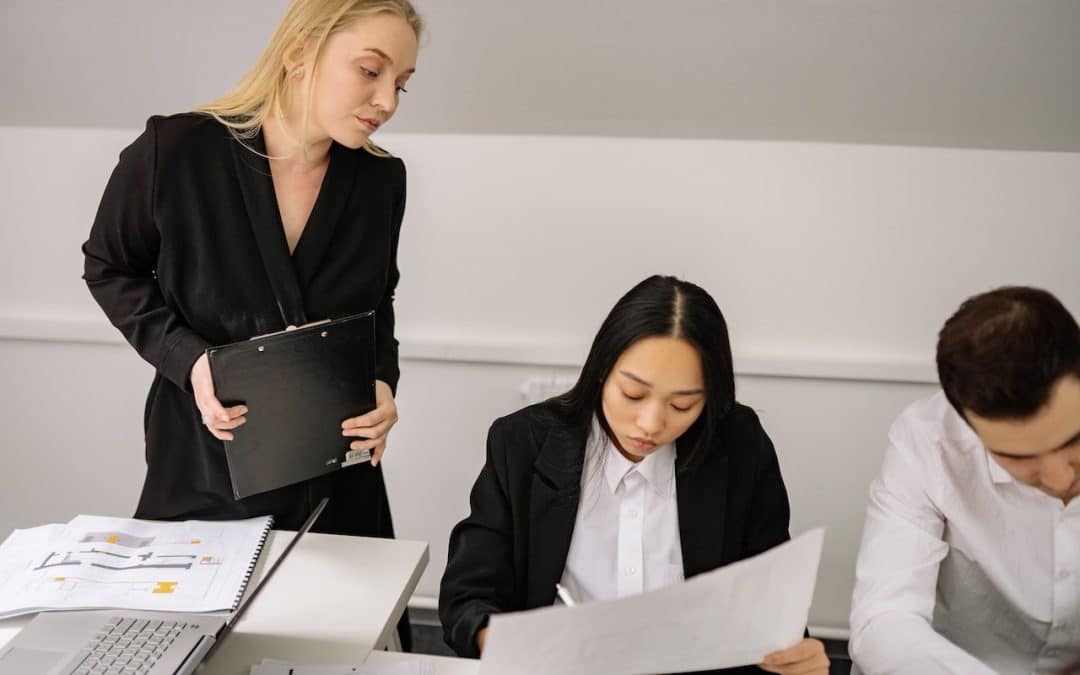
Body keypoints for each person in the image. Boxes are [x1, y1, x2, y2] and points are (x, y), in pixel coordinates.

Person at [82, 1, 422, 643]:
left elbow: (382, 306)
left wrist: (384, 385)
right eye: (370, 71)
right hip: (204, 466)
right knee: (181, 646)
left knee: (345, 651)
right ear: (300, 53)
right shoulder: (174, 151)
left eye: (401, 83)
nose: (388, 101)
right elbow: (109, 267)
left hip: (337, 477)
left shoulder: (382, 180)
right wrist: (190, 360)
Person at [439, 275, 829, 675]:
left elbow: (769, 600)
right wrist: (512, 649)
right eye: (633, 395)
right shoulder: (523, 443)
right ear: (602, 369)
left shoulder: (740, 446)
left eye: (681, 406)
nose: (650, 424)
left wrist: (794, 655)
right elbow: (467, 597)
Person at [849, 286, 1080, 674]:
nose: (1060, 480)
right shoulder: (926, 441)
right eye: (1018, 457)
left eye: (1074, 439)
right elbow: (884, 620)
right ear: (966, 424)